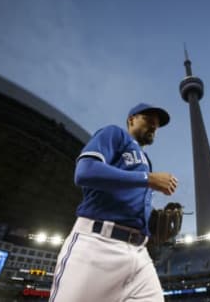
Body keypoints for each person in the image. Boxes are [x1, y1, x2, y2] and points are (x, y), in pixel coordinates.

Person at [49, 103, 178, 302]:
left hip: (139, 254)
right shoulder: (115, 134)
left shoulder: (146, 160)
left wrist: (153, 223)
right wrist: (148, 179)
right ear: (131, 120)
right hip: (97, 245)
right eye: (148, 120)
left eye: (157, 124)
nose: (154, 126)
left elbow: (127, 201)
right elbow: (85, 171)